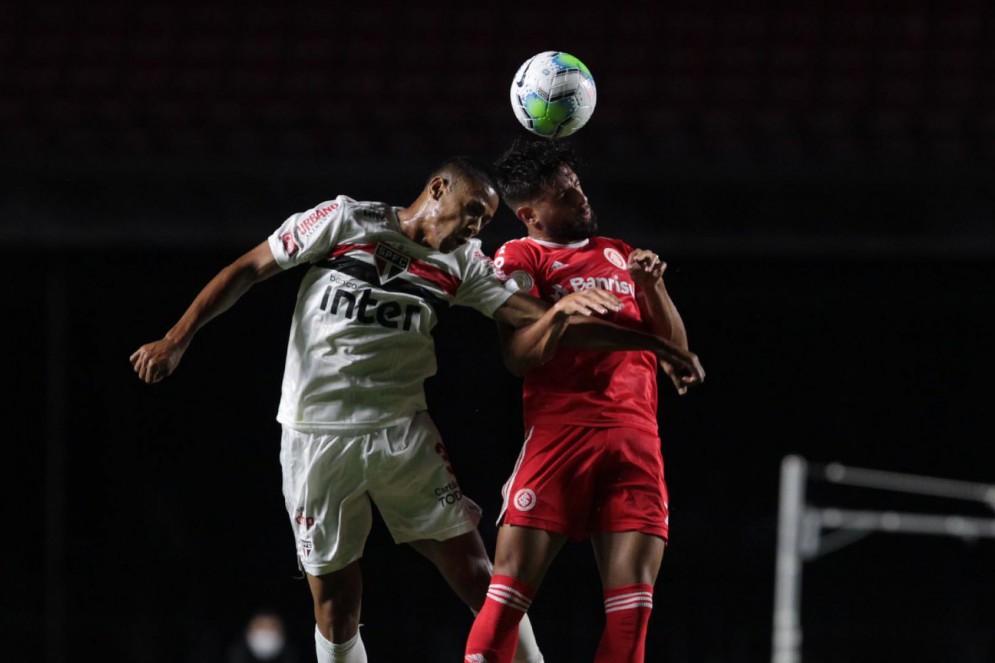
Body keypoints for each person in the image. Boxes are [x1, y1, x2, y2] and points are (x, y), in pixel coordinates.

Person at [129, 156, 703, 663]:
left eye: (485, 219)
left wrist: (654, 346)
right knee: (335, 605)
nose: (477, 227)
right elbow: (249, 268)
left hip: (403, 436)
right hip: (313, 437)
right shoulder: (343, 219)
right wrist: (177, 338)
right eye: (472, 211)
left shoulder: (465, 264)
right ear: (437, 189)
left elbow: (538, 321)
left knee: (481, 574)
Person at [464, 137, 704, 663]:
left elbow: (676, 354)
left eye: (577, 187)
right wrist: (559, 311)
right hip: (560, 437)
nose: (582, 199)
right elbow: (518, 358)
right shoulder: (520, 256)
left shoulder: (618, 252)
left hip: (636, 442)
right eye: (566, 195)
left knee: (632, 618)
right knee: (506, 602)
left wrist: (652, 288)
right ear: (530, 213)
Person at [224, 609, 302, 663]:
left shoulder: (293, 657)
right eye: (260, 626)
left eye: (272, 627)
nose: (266, 633)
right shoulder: (235, 656)